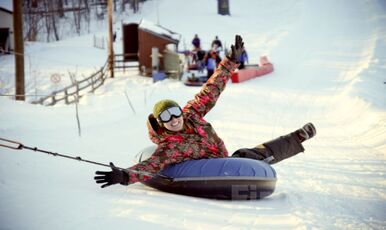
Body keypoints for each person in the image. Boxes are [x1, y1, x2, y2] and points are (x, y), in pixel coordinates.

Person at [94, 35, 316, 188]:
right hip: (211, 169)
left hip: (222, 157)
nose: (172, 120)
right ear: (160, 124)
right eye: (165, 118)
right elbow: (150, 165)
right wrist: (124, 176)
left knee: (253, 154)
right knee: (252, 159)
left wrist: (230, 62)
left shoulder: (192, 114)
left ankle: (297, 137)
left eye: (174, 112)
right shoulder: (170, 146)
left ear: (180, 111)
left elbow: (212, 88)